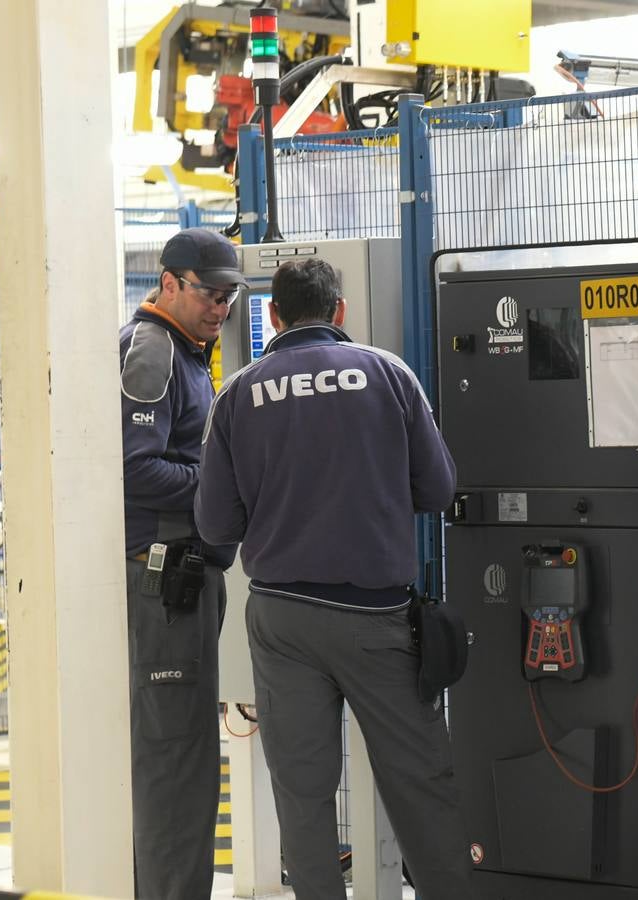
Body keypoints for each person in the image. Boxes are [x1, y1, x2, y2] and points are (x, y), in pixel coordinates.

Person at [194, 257, 473, 899]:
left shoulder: (238, 393)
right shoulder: (390, 375)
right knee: (420, 785)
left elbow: (215, 526)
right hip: (377, 619)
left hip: (282, 620)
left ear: (273, 315)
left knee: (303, 791)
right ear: (339, 311)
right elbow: (437, 489)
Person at [119, 227, 245, 899]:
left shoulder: (185, 351)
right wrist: (217, 487)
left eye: (229, 296)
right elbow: (133, 467)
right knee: (175, 761)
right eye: (208, 293)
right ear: (169, 282)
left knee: (177, 754)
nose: (219, 308)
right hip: (163, 579)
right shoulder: (153, 353)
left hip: (178, 578)